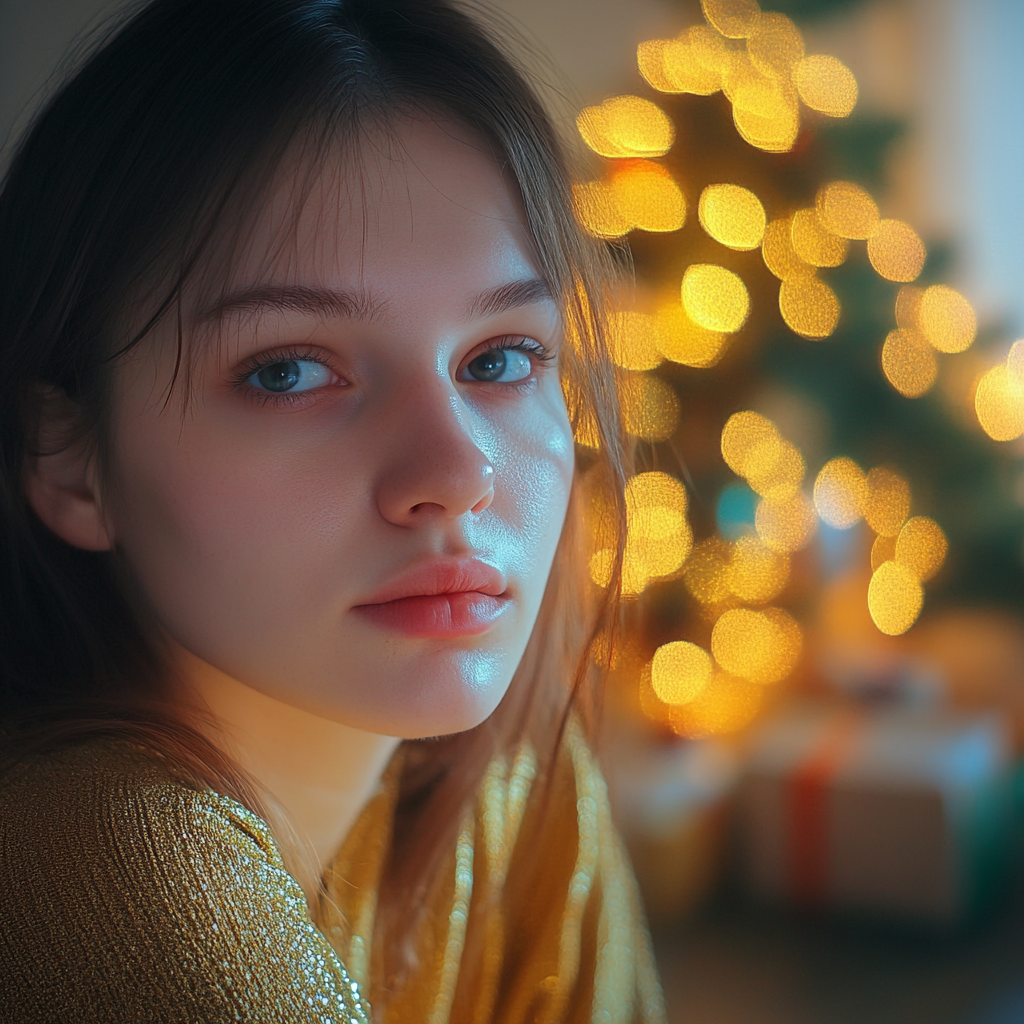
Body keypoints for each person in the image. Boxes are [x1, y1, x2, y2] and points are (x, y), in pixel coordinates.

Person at [0, 1, 664, 1021]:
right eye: (289, 371)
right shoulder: (100, 870)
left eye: (500, 358)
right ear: (71, 459)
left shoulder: (521, 791)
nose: (456, 471)